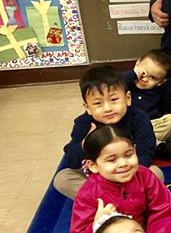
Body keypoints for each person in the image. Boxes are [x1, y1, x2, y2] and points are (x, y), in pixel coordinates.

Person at [54, 66, 161, 200]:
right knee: (62, 179)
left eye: (114, 100)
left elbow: (146, 154)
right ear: (87, 107)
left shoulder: (138, 118)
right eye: (98, 103)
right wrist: (84, 143)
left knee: (155, 172)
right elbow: (71, 160)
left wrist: (126, 174)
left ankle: (117, 200)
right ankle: (113, 201)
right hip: (99, 178)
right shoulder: (84, 123)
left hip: (130, 174)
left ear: (128, 98)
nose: (108, 108)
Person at [123, 49, 171, 162]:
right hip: (127, 126)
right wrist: (133, 74)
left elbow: (168, 107)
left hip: (151, 126)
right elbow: (111, 84)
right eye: (143, 73)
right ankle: (155, 146)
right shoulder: (125, 84)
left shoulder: (158, 91)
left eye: (153, 78)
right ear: (137, 64)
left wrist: (166, 87)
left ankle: (142, 144)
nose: (145, 79)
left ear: (160, 82)